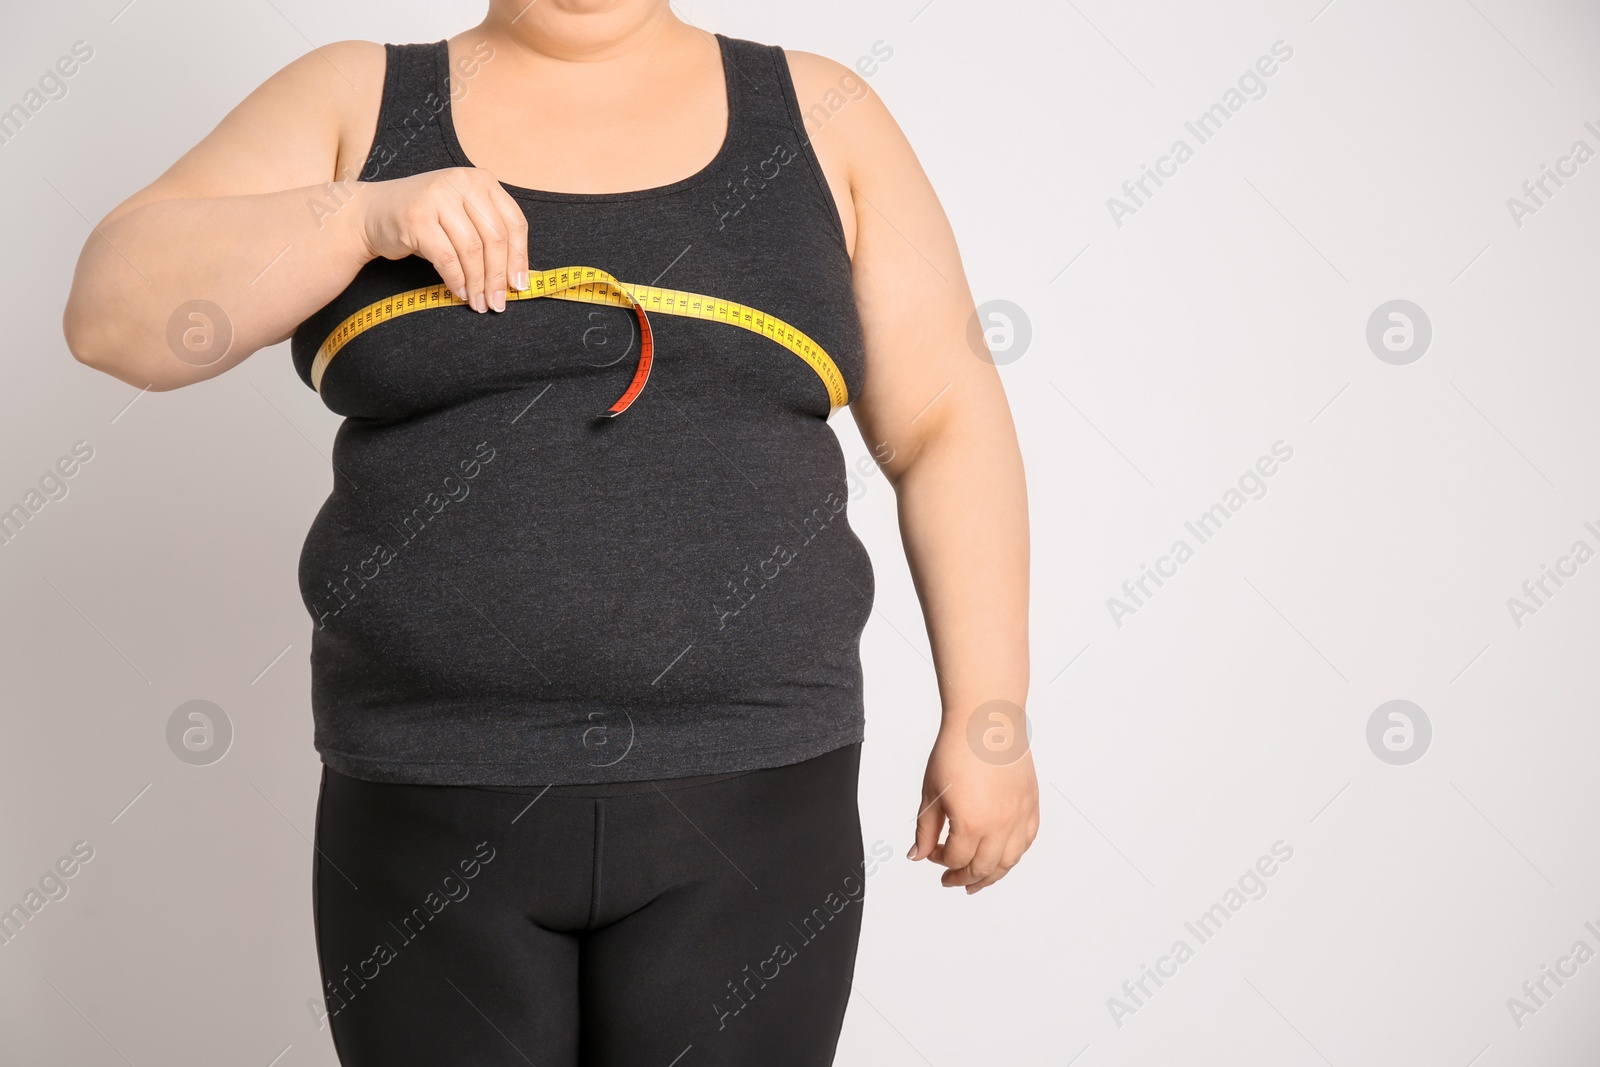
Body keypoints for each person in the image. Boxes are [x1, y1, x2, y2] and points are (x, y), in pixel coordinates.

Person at [62, 2, 1037, 1063]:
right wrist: (357, 218)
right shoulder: (353, 98)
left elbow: (944, 423)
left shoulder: (824, 115)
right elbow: (112, 318)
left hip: (756, 793)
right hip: (424, 799)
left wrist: (990, 714)